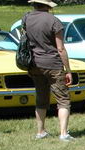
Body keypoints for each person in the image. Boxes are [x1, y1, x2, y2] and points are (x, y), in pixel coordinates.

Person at [24, 0, 73, 141]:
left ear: (34, 4)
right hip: (53, 64)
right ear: (48, 6)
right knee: (63, 99)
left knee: (41, 98)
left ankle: (40, 132)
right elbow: (60, 49)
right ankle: (63, 134)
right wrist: (68, 70)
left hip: (34, 64)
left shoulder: (26, 18)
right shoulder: (54, 21)